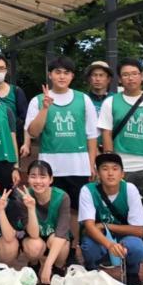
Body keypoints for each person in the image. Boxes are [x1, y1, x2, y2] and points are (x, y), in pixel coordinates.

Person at [25, 56, 98, 258]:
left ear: (72, 76)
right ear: (50, 74)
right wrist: (45, 108)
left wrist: (92, 164)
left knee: (74, 209)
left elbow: (92, 135)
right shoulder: (38, 100)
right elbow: (33, 132)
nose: (62, 76)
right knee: (50, 207)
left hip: (77, 165)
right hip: (50, 166)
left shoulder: (83, 99)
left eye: (66, 72)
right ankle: (50, 245)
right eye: (57, 72)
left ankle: (71, 247)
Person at [99, 58, 143, 198]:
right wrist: (111, 162)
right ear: (119, 79)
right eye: (125, 75)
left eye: (134, 73)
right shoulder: (110, 102)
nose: (130, 78)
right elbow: (106, 133)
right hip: (121, 167)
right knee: (121, 209)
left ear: (142, 76)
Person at [79, 153, 143, 285]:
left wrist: (106, 226)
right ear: (98, 173)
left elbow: (139, 230)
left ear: (122, 173)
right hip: (100, 238)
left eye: (115, 169)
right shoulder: (88, 190)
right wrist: (110, 245)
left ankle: (132, 272)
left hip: (124, 237)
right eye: (104, 169)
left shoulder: (130, 189)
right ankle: (92, 270)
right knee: (89, 246)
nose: (110, 173)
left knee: (138, 248)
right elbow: (89, 227)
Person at [20, 160, 71, 285]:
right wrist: (31, 208)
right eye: (33, 176)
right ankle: (34, 265)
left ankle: (58, 268)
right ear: (28, 178)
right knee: (33, 245)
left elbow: (61, 233)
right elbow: (33, 234)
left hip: (55, 237)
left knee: (61, 243)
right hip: (36, 238)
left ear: (51, 179)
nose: (38, 181)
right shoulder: (24, 197)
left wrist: (48, 265)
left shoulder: (62, 197)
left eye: (43, 177)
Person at [0, 53, 30, 158]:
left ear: (6, 71)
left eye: (1, 68)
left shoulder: (16, 91)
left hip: (12, 143)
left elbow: (26, 120)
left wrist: (26, 143)